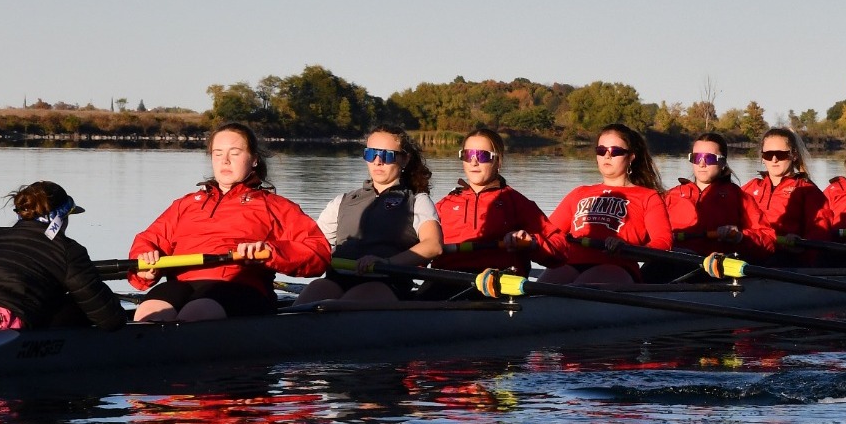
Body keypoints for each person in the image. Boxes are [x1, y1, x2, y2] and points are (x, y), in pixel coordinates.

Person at [129, 122, 331, 321]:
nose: (225, 161)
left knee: (196, 312)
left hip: (241, 286)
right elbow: (148, 240)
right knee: (150, 312)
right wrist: (144, 266)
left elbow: (318, 252)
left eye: (234, 153)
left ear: (254, 160)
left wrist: (271, 252)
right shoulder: (185, 204)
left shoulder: (276, 206)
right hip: (182, 284)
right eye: (217, 154)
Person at [0, 180, 126, 332]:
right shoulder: (68, 250)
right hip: (3, 324)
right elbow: (110, 320)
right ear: (60, 218)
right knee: (76, 306)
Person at [295, 125, 444, 304]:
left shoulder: (417, 201)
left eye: (387, 155)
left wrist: (387, 263)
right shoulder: (342, 201)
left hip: (386, 280)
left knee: (341, 309)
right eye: (371, 154)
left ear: (404, 159)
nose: (377, 161)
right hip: (337, 278)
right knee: (307, 301)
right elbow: (313, 244)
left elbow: (433, 245)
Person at [540, 123, 673, 284]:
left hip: (617, 266)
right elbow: (549, 232)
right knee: (540, 290)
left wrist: (628, 248)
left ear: (631, 157)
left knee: (580, 288)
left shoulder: (648, 197)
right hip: (571, 263)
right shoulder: (579, 193)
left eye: (615, 151)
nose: (607, 156)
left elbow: (663, 242)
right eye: (601, 151)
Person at [429, 127, 549, 281]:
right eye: (468, 155)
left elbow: (559, 249)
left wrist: (531, 242)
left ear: (498, 161)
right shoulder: (444, 205)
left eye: (483, 156)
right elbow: (417, 250)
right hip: (445, 281)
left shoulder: (516, 203)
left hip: (497, 283)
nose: (474, 162)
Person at [650, 131, 764, 281]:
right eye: (696, 158)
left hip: (714, 270)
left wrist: (740, 237)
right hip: (672, 262)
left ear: (723, 163)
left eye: (709, 158)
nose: (701, 164)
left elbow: (767, 240)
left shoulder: (739, 198)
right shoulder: (671, 196)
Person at [741, 127, 829, 261]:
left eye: (781, 154)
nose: (774, 159)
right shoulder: (750, 187)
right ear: (762, 158)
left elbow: (821, 231)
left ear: (794, 155)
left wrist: (802, 244)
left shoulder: (807, 191)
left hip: (787, 259)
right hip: (750, 253)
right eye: (768, 155)